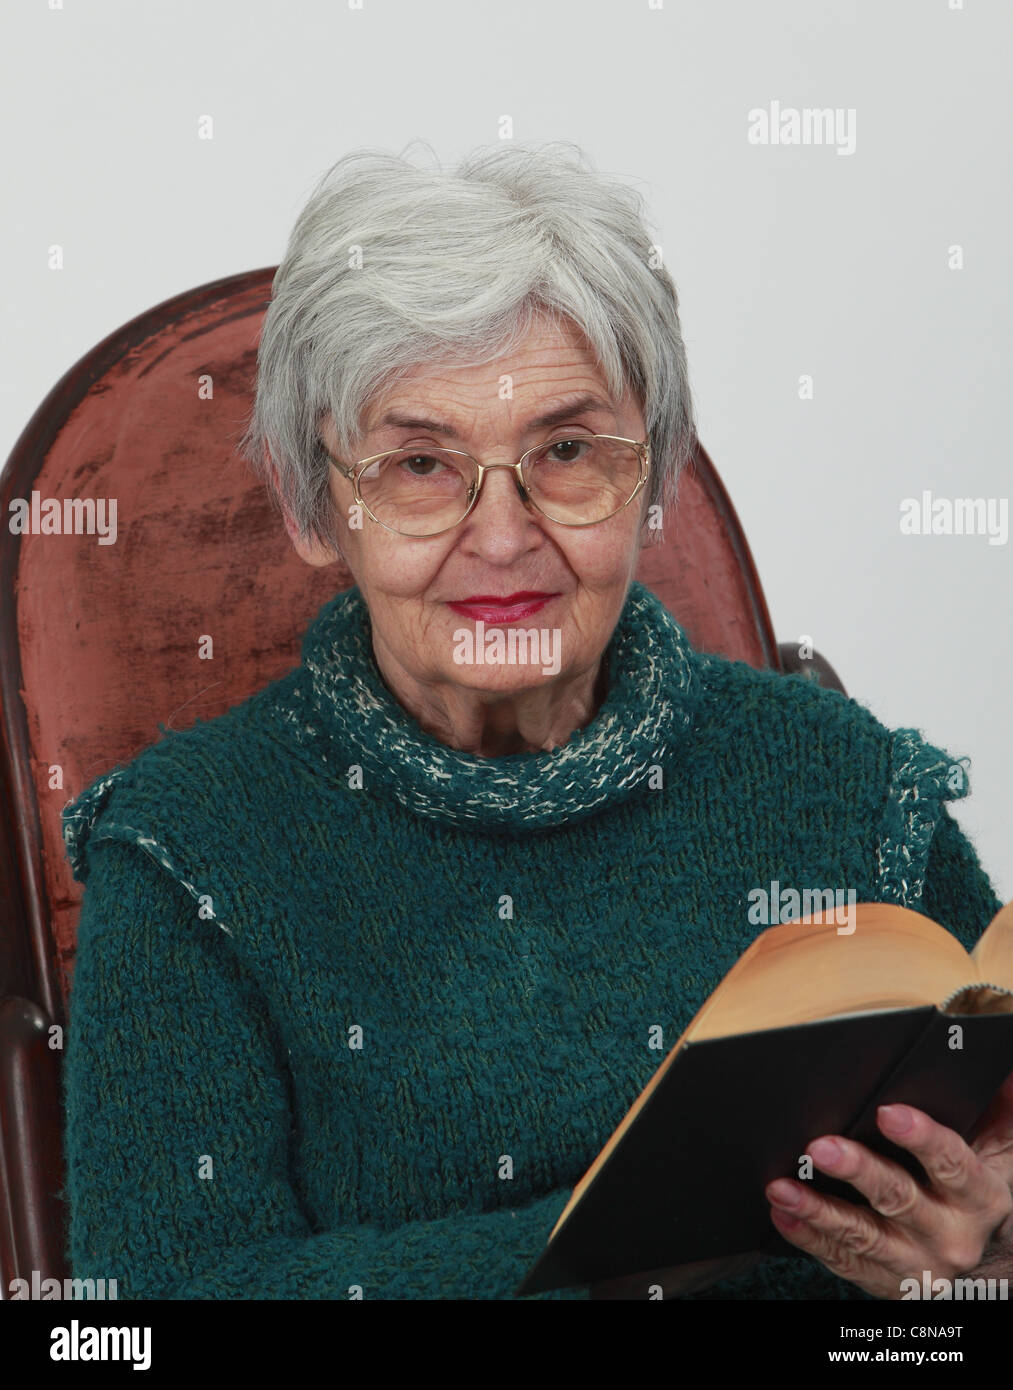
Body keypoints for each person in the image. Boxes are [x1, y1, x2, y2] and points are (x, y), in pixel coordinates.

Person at [61, 141, 1012, 1300]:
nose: (502, 536)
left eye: (564, 451)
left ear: (650, 469)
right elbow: (157, 1305)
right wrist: (645, 1237)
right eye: (419, 463)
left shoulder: (844, 781)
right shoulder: (185, 849)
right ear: (314, 505)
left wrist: (978, 1253)